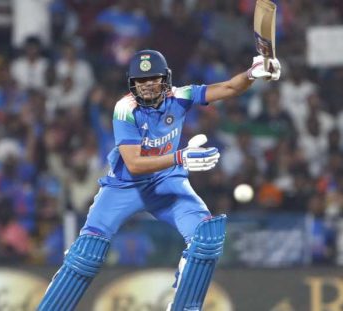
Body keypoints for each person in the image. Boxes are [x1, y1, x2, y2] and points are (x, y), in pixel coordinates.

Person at [37, 49, 281, 311]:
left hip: (167, 181)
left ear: (166, 78)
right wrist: (180, 158)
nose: (148, 85)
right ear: (132, 83)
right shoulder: (125, 108)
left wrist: (252, 73)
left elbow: (230, 88)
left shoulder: (180, 95)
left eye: (154, 78)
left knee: (206, 237)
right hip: (125, 187)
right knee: (86, 254)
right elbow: (134, 163)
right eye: (141, 80)